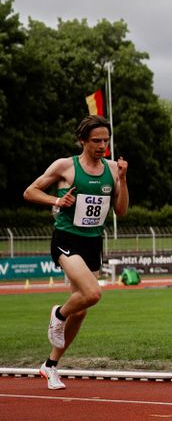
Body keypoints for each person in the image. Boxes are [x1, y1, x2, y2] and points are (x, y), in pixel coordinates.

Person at [24, 115, 129, 390]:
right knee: (92, 293)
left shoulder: (112, 169)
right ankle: (58, 314)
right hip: (66, 238)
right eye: (96, 141)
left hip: (93, 241)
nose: (102, 145)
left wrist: (124, 179)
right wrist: (57, 199)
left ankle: (50, 366)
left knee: (81, 309)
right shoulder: (65, 166)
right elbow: (30, 192)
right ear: (82, 140)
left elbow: (121, 211)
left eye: (105, 140)